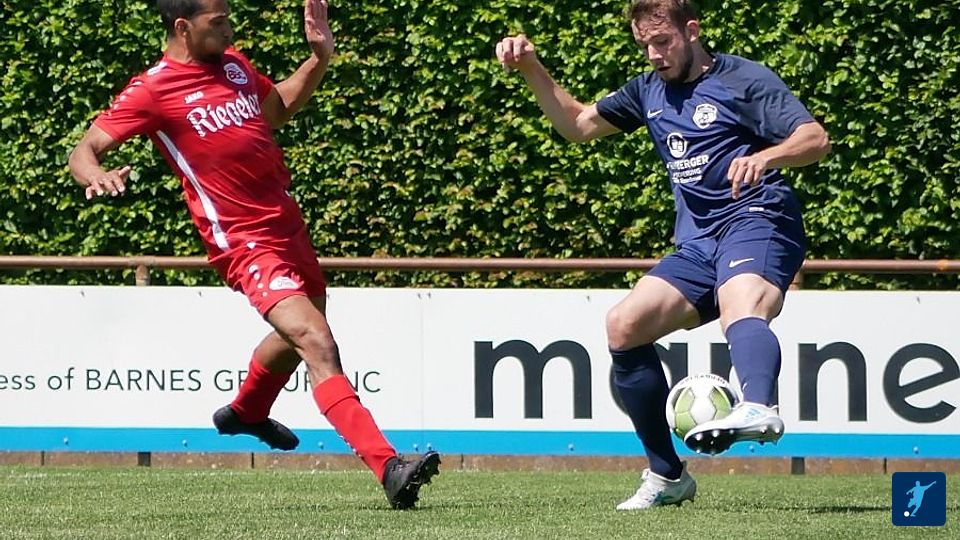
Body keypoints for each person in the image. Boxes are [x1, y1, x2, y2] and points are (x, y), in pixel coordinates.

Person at [68, 0, 439, 509]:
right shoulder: (152, 89)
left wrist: (319, 59)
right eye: (217, 22)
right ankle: (389, 466)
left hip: (287, 225)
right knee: (315, 339)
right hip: (242, 240)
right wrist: (97, 174)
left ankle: (247, 410)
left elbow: (278, 107)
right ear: (183, 27)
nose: (229, 29)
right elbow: (84, 150)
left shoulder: (235, 66)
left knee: (297, 333)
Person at [496, 0, 829, 510]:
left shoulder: (743, 79)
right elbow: (578, 125)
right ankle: (667, 474)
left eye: (662, 41)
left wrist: (766, 157)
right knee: (623, 326)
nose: (654, 54)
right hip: (698, 242)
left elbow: (814, 138)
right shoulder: (646, 90)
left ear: (691, 31)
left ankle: (759, 405)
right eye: (645, 45)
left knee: (740, 302)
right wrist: (531, 69)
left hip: (758, 218)